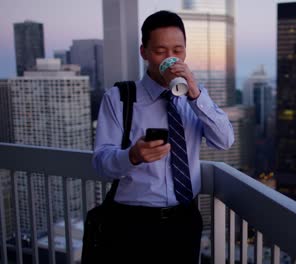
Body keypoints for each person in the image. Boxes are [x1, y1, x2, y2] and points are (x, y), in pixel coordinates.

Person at [92, 10, 234, 263]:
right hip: (132, 223)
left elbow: (224, 141)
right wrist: (132, 156)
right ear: (144, 52)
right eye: (160, 52)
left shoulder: (194, 98)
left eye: (177, 51)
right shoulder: (119, 98)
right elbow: (101, 164)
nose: (170, 58)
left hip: (185, 220)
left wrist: (195, 94)